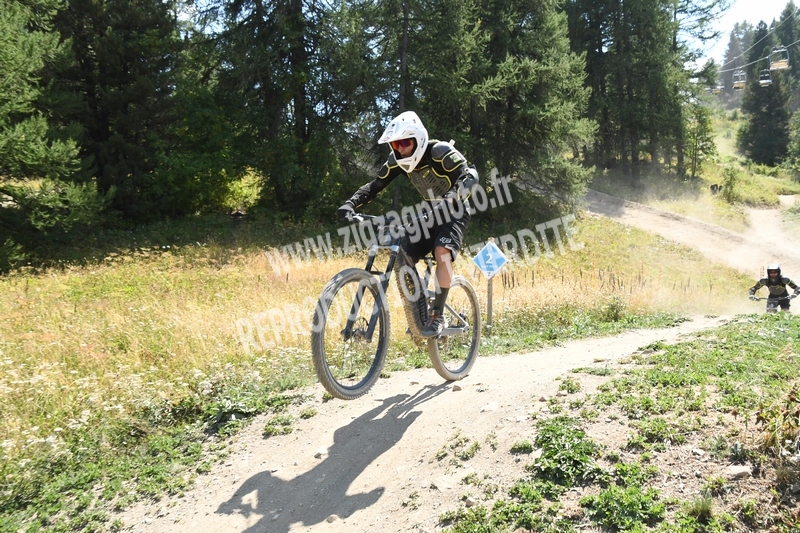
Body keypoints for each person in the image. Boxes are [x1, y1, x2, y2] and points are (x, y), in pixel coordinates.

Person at [337, 111, 479, 337]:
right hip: (431, 214)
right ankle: (418, 311)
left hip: (456, 211)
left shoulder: (439, 151)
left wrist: (451, 198)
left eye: (404, 143)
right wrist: (351, 203)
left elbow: (470, 175)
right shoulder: (397, 161)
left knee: (442, 251)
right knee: (403, 256)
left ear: (418, 139)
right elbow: (375, 185)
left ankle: (437, 316)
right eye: (395, 144)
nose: (400, 149)